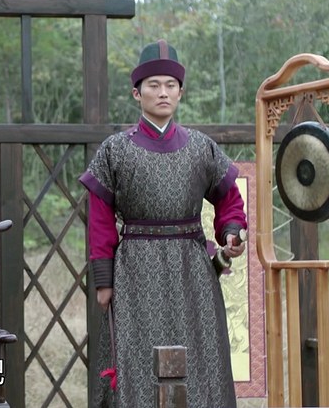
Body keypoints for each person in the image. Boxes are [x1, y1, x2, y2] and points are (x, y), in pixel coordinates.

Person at [79, 39, 248, 408]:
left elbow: (229, 202)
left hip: (193, 272)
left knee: (200, 360)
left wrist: (231, 232)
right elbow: (100, 220)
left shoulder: (202, 147)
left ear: (180, 92)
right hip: (134, 271)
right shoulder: (114, 150)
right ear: (136, 93)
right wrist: (104, 281)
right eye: (153, 85)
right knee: (136, 361)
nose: (162, 92)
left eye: (170, 85)